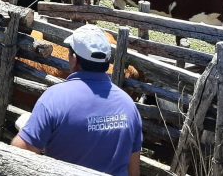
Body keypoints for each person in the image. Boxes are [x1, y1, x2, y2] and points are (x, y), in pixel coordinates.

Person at [11, 24, 142, 176]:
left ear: (73, 59)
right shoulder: (129, 106)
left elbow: (18, 153)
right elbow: (133, 171)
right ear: (107, 62)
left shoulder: (54, 99)